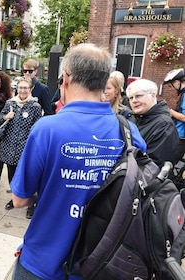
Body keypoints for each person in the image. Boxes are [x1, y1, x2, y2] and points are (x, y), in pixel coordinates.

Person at [9, 44, 147, 280]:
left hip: (44, 262)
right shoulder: (129, 132)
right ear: (105, 82)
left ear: (66, 79)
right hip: (103, 264)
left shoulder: (47, 129)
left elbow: (20, 199)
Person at [0, 77, 42, 212]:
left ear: (30, 89)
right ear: (17, 88)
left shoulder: (35, 106)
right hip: (10, 146)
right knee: (11, 173)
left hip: (26, 147)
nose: (23, 90)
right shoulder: (10, 103)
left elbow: (38, 127)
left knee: (28, 175)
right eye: (20, 87)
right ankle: (15, 197)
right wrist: (6, 117)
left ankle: (30, 203)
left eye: (25, 88)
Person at [125, 78, 178, 167]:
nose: (134, 100)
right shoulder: (133, 119)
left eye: (138, 96)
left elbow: (153, 165)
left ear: (153, 95)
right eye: (131, 98)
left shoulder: (164, 125)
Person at [163, 68, 185, 170]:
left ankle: (168, 185)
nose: (171, 88)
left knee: (167, 165)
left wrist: (170, 111)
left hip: (181, 138)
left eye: (171, 85)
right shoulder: (182, 95)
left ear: (177, 82)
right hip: (178, 136)